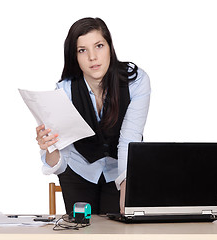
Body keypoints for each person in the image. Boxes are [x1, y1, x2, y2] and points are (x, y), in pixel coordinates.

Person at [36, 17, 150, 215]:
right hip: (79, 170)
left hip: (119, 169)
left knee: (118, 231)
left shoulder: (136, 80)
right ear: (74, 56)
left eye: (99, 46)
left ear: (109, 47)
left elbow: (129, 139)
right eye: (82, 50)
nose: (92, 57)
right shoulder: (64, 91)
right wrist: (49, 147)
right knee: (81, 232)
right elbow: (60, 157)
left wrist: (126, 187)